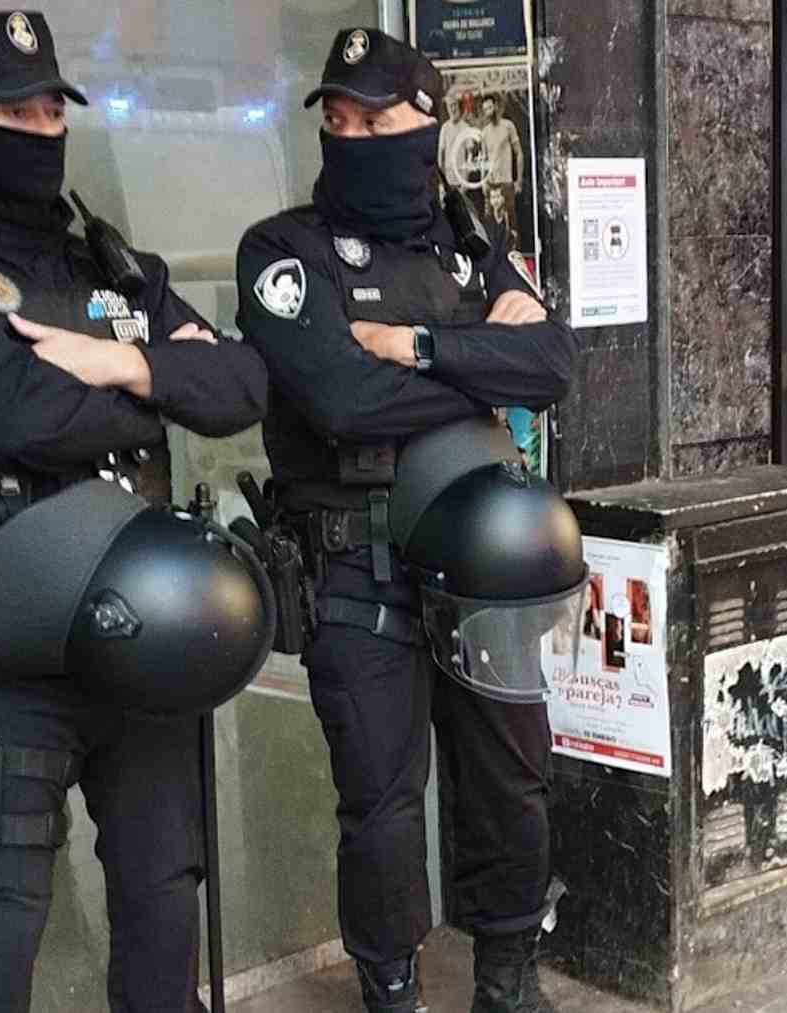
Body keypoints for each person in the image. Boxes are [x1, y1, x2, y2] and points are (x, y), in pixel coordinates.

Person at [0, 11, 269, 1011]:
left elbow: (244, 384)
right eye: (12, 108)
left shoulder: (112, 269)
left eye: (50, 109)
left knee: (164, 900)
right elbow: (16, 414)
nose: (40, 128)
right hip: (7, 647)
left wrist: (122, 359)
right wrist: (162, 381)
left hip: (148, 641)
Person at [233, 27, 574, 1013]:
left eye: (375, 119)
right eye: (337, 119)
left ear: (427, 125)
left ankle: (509, 976)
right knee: (381, 804)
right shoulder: (285, 253)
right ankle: (391, 988)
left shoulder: (469, 242)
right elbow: (341, 401)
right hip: (355, 562)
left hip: (482, 564)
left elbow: (551, 369)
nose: (352, 134)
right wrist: (475, 359)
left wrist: (417, 344)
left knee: (513, 779)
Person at [480, 94, 525, 233]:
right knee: (489, 224)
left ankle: (512, 253)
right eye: (485, 109)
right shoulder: (485, 132)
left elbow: (519, 153)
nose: (488, 112)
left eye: (490, 107)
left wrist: (519, 180)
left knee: (510, 224)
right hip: (490, 183)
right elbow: (483, 159)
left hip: (506, 182)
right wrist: (483, 181)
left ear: (496, 107)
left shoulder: (508, 126)